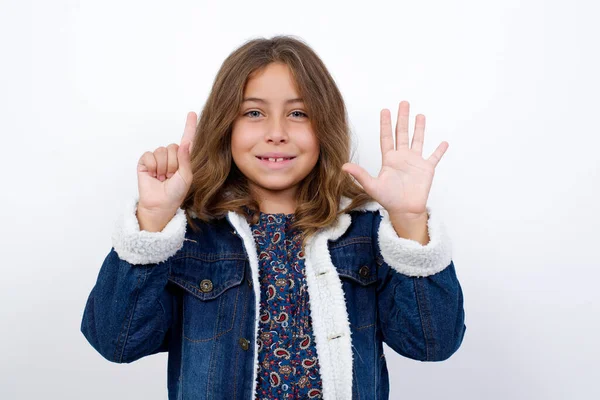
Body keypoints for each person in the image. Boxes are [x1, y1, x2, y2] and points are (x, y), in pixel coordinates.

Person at [80, 35, 466, 400]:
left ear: (323, 127)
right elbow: (117, 341)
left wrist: (410, 220)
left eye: (298, 113)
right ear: (226, 127)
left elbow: (433, 344)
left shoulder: (367, 236)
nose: (277, 132)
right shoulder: (191, 237)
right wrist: (152, 219)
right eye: (253, 112)